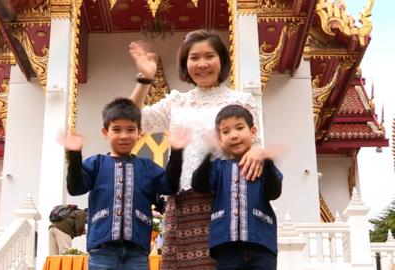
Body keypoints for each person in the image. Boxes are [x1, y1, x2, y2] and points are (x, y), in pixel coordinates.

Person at [129, 29, 266, 269]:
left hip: (227, 200)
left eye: (209, 56)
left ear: (222, 60)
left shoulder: (241, 101)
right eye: (194, 58)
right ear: (185, 64)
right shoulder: (177, 102)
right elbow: (131, 119)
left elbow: (254, 142)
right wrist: (145, 79)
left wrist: (258, 150)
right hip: (182, 203)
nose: (202, 64)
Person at [58, 98, 187, 270]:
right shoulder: (96, 163)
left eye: (130, 130)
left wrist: (177, 153)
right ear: (105, 132)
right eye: (116, 130)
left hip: (137, 253)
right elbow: (75, 188)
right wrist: (74, 156)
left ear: (140, 132)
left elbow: (170, 186)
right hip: (101, 251)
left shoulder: (147, 167)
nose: (124, 136)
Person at [191, 105, 283, 270]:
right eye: (226, 132)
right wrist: (208, 154)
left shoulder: (263, 166)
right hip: (226, 247)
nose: (233, 135)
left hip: (261, 244)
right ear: (220, 139)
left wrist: (267, 160)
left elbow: (274, 192)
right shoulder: (218, 167)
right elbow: (199, 185)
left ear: (253, 131)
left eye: (239, 128)